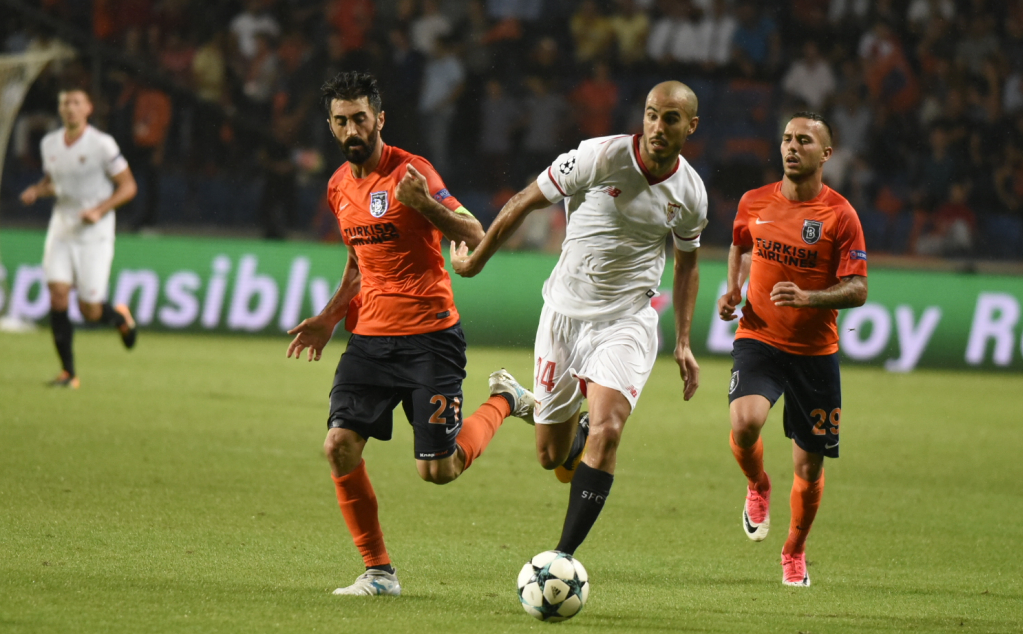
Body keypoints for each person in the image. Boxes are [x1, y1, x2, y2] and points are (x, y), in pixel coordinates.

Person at [285, 72, 535, 597]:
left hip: (430, 338)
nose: (351, 128)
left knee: (438, 472)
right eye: (340, 120)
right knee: (338, 445)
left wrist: (425, 206)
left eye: (359, 118)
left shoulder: (413, 171)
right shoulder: (337, 187)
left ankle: (505, 399)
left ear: (379, 118)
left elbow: (476, 233)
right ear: (330, 126)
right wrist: (330, 316)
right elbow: (357, 263)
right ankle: (378, 572)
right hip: (370, 339)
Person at [451, 81, 708, 557]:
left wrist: (685, 341)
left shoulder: (691, 193)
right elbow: (524, 201)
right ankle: (518, 400)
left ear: (690, 127)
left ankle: (561, 558)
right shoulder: (599, 157)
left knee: (608, 429)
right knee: (552, 456)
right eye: (651, 114)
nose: (657, 126)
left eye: (670, 118)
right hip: (564, 316)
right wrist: (475, 262)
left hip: (627, 319)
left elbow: (688, 262)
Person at [717, 112, 868, 587]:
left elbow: (858, 288)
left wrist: (810, 298)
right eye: (786, 139)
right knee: (745, 424)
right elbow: (740, 245)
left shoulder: (840, 214)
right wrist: (733, 289)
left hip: (815, 352)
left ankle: (794, 550)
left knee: (809, 464)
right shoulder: (754, 200)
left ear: (825, 154)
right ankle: (758, 485)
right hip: (759, 335)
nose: (791, 147)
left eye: (804, 140)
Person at [20, 87, 139, 389]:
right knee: (58, 294)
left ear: (88, 108)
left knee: (90, 310)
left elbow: (128, 187)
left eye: (76, 103)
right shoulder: (49, 143)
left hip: (94, 233)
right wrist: (38, 190)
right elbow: (54, 182)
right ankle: (68, 373)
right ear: (60, 110)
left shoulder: (102, 144)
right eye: (65, 104)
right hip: (62, 225)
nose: (70, 108)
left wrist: (99, 210)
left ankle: (119, 318)